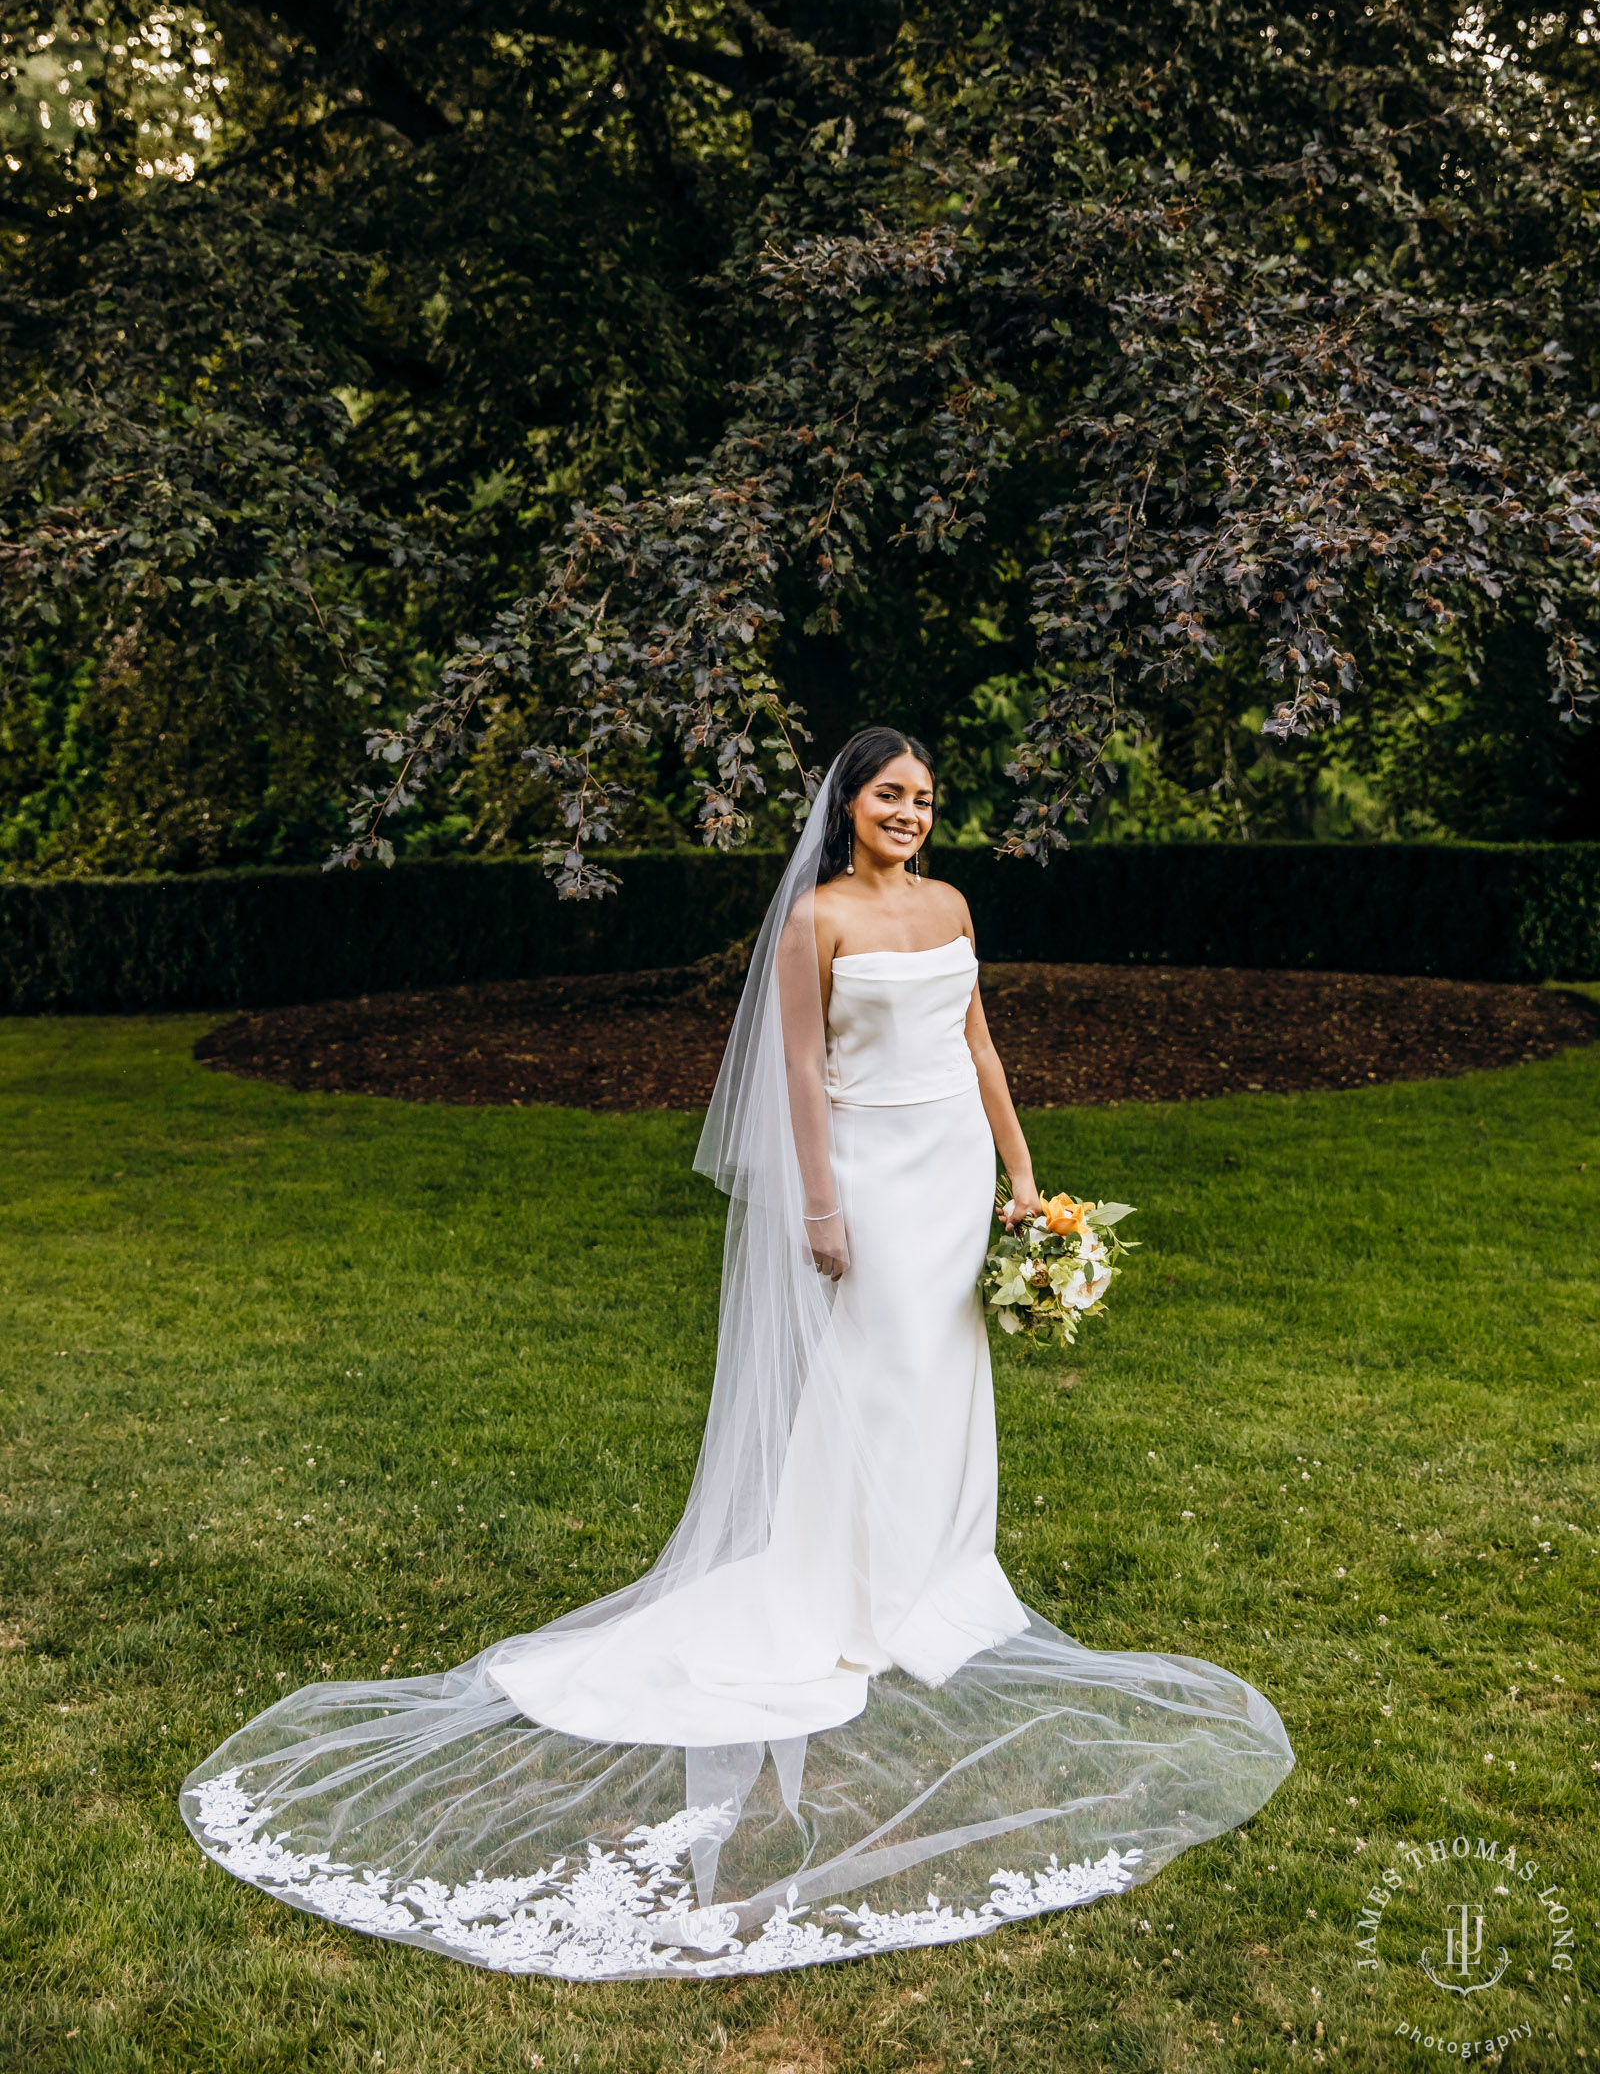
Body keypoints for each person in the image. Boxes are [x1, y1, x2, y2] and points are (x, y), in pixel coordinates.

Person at [181, 729, 1293, 1982]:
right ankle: (838, 1581)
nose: (910, 814)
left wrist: (1025, 1178)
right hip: (868, 1171)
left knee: (940, 1368)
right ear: (848, 803)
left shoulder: (954, 904)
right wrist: (818, 1204)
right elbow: (801, 1069)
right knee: (868, 1369)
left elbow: (977, 1041)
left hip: (954, 1168)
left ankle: (930, 1567)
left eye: (924, 799)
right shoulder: (815, 919)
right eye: (890, 795)